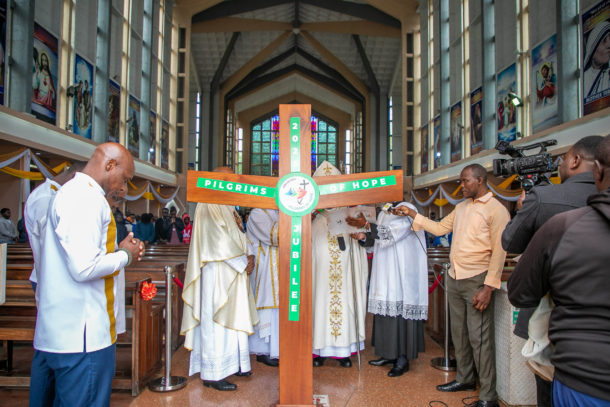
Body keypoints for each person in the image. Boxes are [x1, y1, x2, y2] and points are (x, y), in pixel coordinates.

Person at [30, 142, 144, 407]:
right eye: (124, 179)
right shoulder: (86, 198)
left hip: (64, 331)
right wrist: (125, 255)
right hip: (83, 337)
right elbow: (84, 267)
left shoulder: (72, 193)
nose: (123, 187)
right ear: (110, 165)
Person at [507, 135, 610, 406]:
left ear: (597, 170)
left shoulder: (556, 215)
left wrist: (523, 211)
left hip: (581, 372)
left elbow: (519, 290)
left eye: (563, 160)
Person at [396, 163, 509, 407]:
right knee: (459, 334)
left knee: (480, 339)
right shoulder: (461, 207)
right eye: (461, 181)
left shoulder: (496, 210)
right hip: (455, 276)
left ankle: (488, 396)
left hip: (477, 280)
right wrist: (413, 215)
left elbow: (500, 251)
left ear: (480, 180)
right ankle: (465, 378)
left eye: (465, 181)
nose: (461, 185)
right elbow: (438, 228)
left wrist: (488, 287)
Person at [180, 167, 258, 392]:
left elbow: (240, 235)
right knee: (216, 320)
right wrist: (243, 262)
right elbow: (217, 239)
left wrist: (250, 255)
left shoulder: (228, 205)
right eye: (229, 179)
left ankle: (237, 364)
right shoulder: (208, 202)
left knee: (234, 317)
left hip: (234, 271)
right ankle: (213, 373)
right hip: (217, 273)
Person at [348, 202, 428, 377]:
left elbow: (392, 234)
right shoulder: (384, 212)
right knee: (384, 310)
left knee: (400, 312)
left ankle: (402, 358)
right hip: (384, 267)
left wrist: (367, 225)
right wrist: (363, 236)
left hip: (401, 270)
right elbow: (377, 239)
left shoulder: (406, 209)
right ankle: (388, 354)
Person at [311, 161, 368, 368]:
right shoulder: (313, 220)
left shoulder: (350, 216)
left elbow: (364, 242)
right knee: (319, 302)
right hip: (319, 278)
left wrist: (360, 236)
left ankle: (343, 352)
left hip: (344, 276)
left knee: (345, 302)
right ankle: (318, 351)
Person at [25, 162, 86, 292]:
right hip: (51, 278)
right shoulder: (46, 198)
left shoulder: (60, 195)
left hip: (58, 276)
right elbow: (48, 241)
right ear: (74, 177)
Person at [246, 208, 280, 367]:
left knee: (278, 309)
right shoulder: (257, 213)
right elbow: (275, 236)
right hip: (264, 269)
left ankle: (278, 348)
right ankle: (263, 350)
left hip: (279, 267)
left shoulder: (278, 213)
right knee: (267, 309)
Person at [583, 21, 610, 100]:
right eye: (604, 41)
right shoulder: (584, 78)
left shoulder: (608, 75)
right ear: (592, 46)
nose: (609, 46)